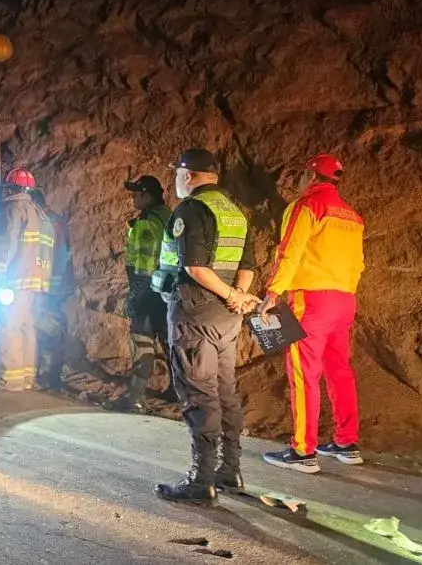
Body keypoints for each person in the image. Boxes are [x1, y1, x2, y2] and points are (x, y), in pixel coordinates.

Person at [152, 148, 260, 505]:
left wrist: (228, 294)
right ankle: (229, 471)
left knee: (199, 394)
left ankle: (201, 482)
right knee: (225, 391)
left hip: (194, 314)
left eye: (177, 174)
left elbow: (195, 267)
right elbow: (247, 264)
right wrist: (237, 296)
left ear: (188, 176)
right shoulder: (234, 212)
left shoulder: (192, 209)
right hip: (227, 317)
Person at [259, 154, 366, 473]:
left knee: (304, 374)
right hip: (345, 300)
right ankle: (347, 443)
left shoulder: (306, 206)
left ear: (311, 176)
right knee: (340, 371)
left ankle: (303, 450)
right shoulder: (353, 216)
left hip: (311, 301)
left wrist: (272, 292)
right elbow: (359, 263)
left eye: (303, 175)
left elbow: (288, 252)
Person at [0, 166, 54, 391]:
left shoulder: (12, 209)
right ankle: (27, 378)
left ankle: (9, 380)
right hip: (36, 284)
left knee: (8, 327)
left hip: (15, 281)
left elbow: (3, 247)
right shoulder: (40, 214)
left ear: (11, 188)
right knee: (26, 327)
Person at [110, 175, 173, 412]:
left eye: (136, 195)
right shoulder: (170, 217)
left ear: (147, 195)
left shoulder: (147, 223)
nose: (133, 199)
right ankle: (177, 392)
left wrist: (137, 295)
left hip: (148, 290)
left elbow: (144, 265)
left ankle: (135, 397)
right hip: (169, 291)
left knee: (142, 340)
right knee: (168, 341)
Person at [33, 189, 73, 392]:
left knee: (50, 329)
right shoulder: (51, 220)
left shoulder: (51, 223)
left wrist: (49, 287)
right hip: (53, 285)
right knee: (49, 329)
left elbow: (58, 258)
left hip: (53, 287)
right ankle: (48, 374)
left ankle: (50, 376)